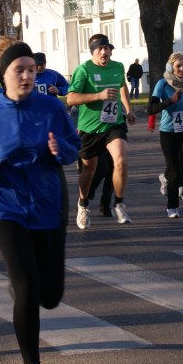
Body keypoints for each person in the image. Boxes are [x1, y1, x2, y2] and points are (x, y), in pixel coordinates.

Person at [0, 42, 80, 364]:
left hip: (49, 206)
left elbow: (74, 145)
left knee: (50, 296)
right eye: (20, 70)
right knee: (28, 290)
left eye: (31, 69)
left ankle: (26, 284)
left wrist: (62, 150)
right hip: (9, 211)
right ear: (5, 74)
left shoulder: (51, 107)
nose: (28, 75)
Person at [67, 33, 136, 229]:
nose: (105, 52)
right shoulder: (83, 70)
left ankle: (119, 204)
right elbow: (71, 99)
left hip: (113, 123)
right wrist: (99, 95)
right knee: (89, 171)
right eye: (100, 49)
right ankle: (83, 204)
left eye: (107, 48)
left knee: (120, 161)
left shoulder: (118, 67)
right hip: (90, 128)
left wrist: (128, 109)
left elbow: (122, 87)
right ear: (93, 52)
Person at [148, 52, 183, 218]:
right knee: (175, 171)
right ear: (171, 67)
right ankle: (172, 207)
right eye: (179, 66)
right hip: (168, 132)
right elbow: (151, 109)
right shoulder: (162, 85)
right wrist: (170, 100)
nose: (182, 69)